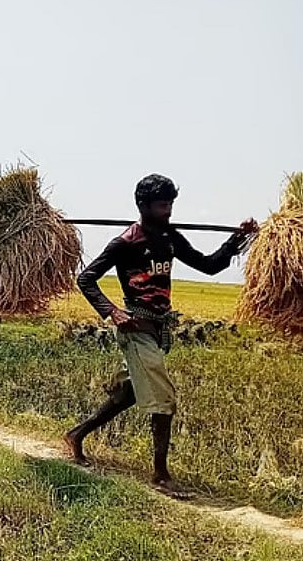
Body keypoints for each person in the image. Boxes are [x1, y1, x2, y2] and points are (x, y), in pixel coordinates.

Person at [64, 174, 258, 495]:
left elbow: (209, 266)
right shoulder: (126, 243)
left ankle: (76, 435)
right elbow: (86, 278)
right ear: (143, 206)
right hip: (136, 329)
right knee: (163, 400)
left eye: (169, 205)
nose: (167, 211)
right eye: (161, 205)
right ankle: (160, 476)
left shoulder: (170, 238)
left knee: (128, 394)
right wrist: (113, 312)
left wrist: (236, 239)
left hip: (158, 329)